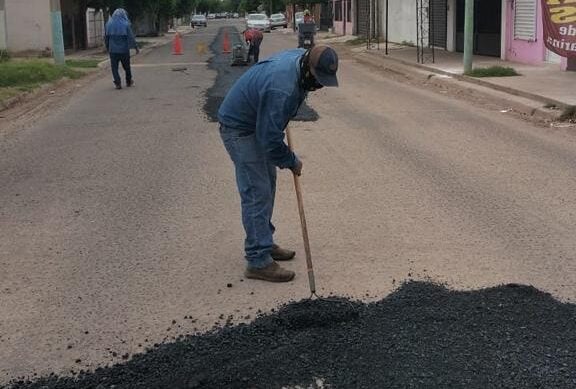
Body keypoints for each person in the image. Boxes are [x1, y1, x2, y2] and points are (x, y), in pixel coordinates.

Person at [218, 46, 339, 282]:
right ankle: (257, 260)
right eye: (318, 79)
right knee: (257, 192)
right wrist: (290, 161)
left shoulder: (299, 60)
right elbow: (269, 139)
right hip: (240, 129)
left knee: (267, 184)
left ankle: (264, 241)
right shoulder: (281, 89)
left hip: (254, 122)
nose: (320, 85)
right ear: (308, 68)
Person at [105, 8, 139, 90]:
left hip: (113, 50)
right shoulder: (126, 24)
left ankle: (117, 83)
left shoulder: (109, 24)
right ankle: (128, 81)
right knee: (127, 67)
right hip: (124, 50)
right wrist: (135, 47)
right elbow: (131, 37)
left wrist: (107, 47)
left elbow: (106, 37)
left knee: (114, 68)